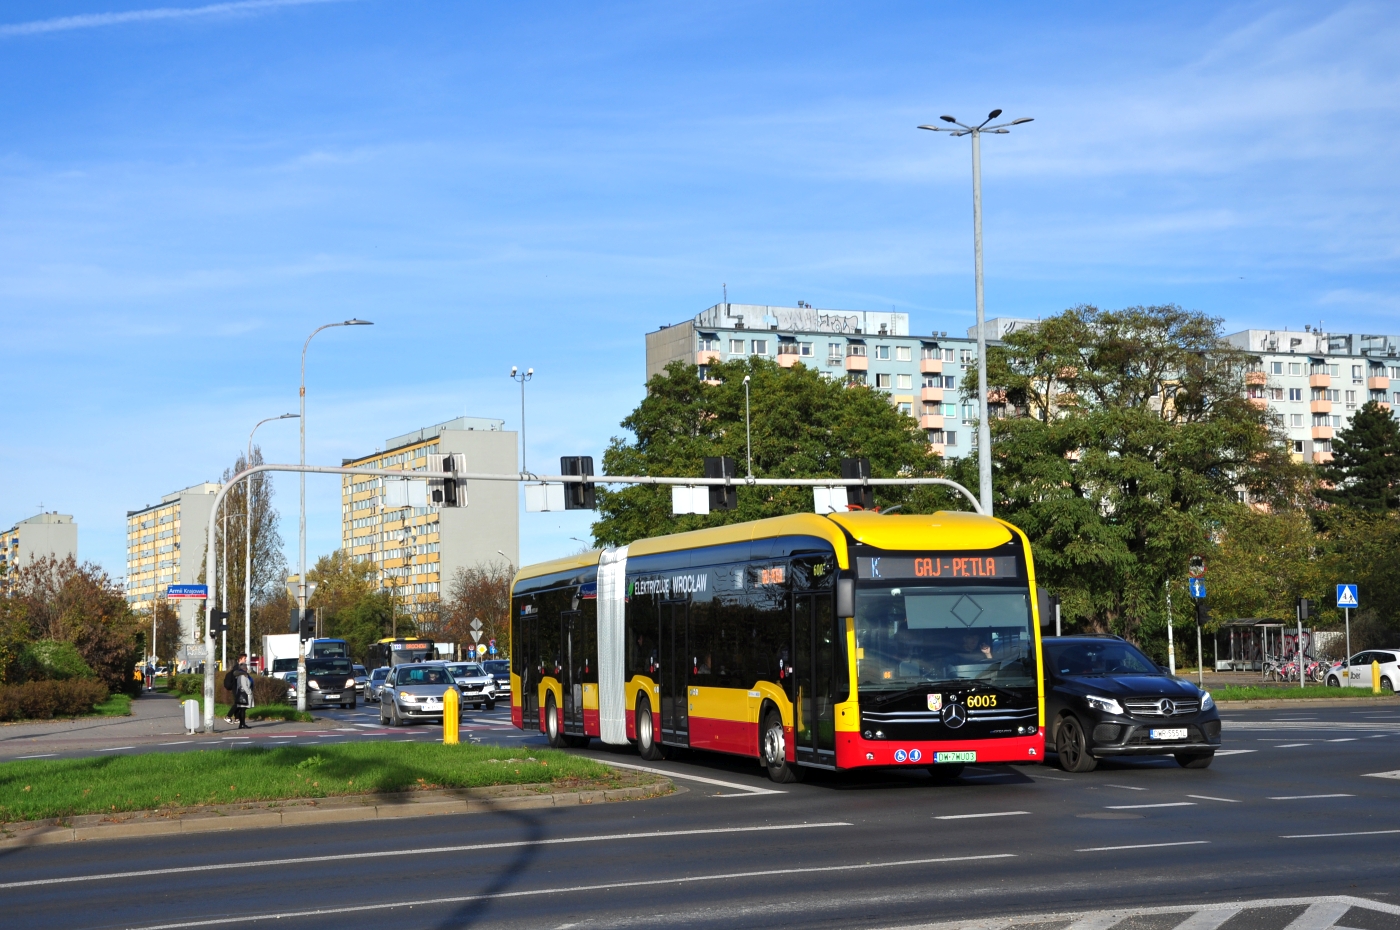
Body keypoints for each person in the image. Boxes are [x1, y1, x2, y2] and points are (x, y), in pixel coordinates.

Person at [231, 654, 255, 730]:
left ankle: (242, 724)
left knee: (242, 709)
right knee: (242, 709)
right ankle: (242, 724)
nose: (246, 668)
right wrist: (249, 692)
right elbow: (244, 686)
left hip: (242, 693)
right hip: (244, 694)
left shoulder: (243, 675)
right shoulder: (242, 676)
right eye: (245, 667)